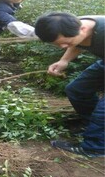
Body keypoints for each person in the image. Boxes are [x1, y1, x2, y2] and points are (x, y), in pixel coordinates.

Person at [34, 12, 104, 158]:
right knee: (77, 90)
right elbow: (76, 42)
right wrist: (64, 60)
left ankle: (95, 147)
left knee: (103, 111)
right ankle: (93, 127)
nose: (62, 47)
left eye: (66, 43)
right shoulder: (74, 27)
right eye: (58, 44)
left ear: (83, 29)